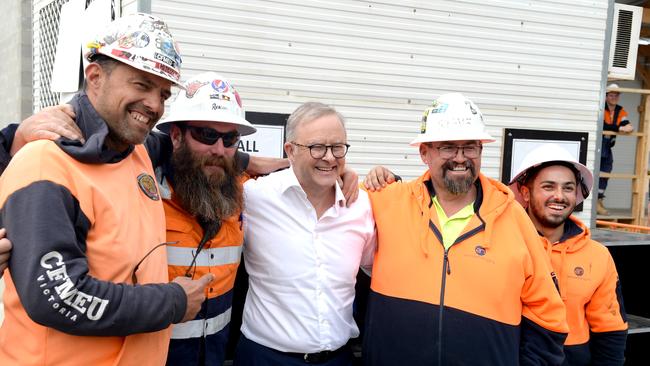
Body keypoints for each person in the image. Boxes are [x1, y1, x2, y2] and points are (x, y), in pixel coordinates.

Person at [0, 13, 213, 365]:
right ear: (95, 77)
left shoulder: (138, 148)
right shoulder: (45, 163)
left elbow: (194, 152)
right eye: (141, 85)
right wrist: (174, 301)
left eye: (163, 93)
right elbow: (61, 295)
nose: (155, 106)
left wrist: (262, 163)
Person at [361, 93, 568, 365]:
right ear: (424, 152)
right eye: (447, 147)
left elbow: (548, 313)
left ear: (481, 151)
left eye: (470, 147)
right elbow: (328, 195)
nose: (460, 158)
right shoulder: (386, 201)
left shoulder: (513, 217)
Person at [233, 102, 376, 366]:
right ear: (291, 150)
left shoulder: (362, 205)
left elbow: (375, 269)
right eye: (317, 147)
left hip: (339, 359)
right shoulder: (254, 197)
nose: (330, 157)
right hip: (264, 358)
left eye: (337, 147)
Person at [509, 144, 628, 366]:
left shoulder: (597, 256)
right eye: (548, 186)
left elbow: (610, 331)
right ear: (525, 192)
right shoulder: (504, 246)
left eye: (568, 188)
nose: (559, 196)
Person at [598, 83, 634, 216]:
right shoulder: (601, 107)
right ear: (606, 96)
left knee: (606, 171)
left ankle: (599, 200)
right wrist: (619, 128)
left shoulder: (620, 110)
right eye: (611, 95)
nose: (614, 97)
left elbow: (628, 126)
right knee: (598, 172)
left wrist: (625, 127)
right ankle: (595, 201)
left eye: (616, 95)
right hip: (599, 144)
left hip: (608, 145)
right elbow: (603, 124)